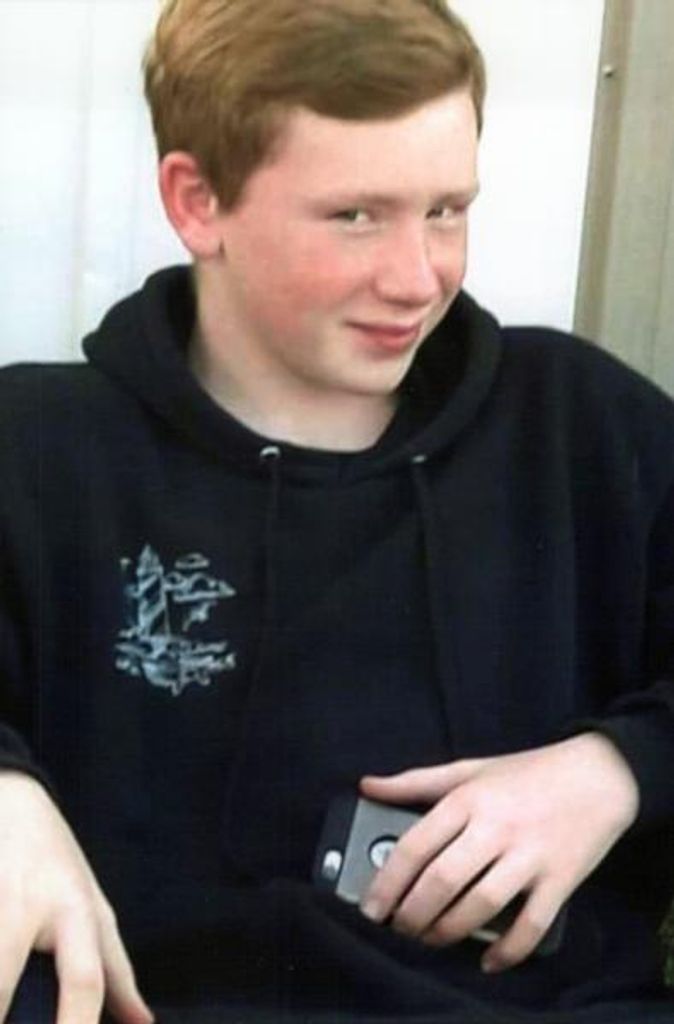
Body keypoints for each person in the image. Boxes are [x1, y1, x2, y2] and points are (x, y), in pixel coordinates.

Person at [1, 0, 674, 1021]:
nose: (417, 278)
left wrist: (618, 767)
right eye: (355, 215)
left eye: (446, 210)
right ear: (196, 202)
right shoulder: (39, 450)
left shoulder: (581, 428)